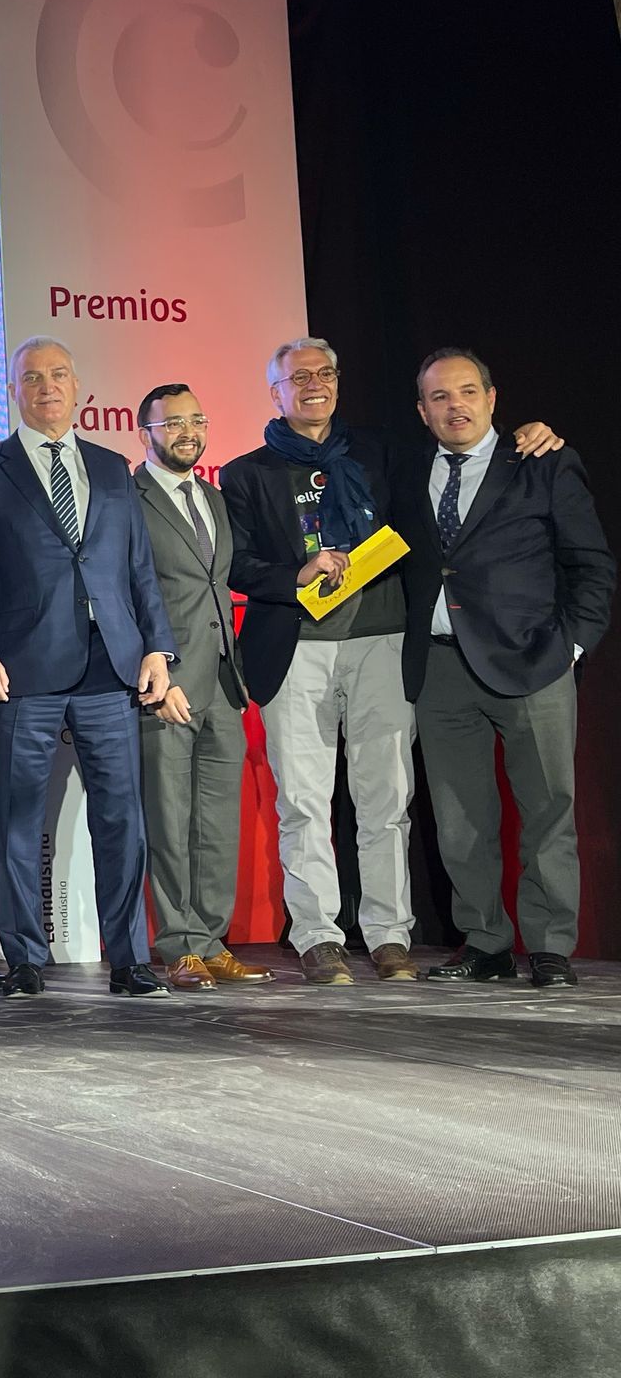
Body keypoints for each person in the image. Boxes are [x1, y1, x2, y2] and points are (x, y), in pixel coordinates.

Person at [220, 337, 559, 986]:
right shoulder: (245, 474)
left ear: (338, 381)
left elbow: (465, 449)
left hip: (383, 642)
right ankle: (318, 937)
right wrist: (296, 574)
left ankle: (388, 935)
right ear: (276, 393)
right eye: (298, 377)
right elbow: (236, 565)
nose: (314, 385)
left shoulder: (384, 452)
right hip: (296, 650)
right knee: (304, 803)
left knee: (386, 800)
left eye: (324, 373)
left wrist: (530, 432)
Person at [0, 337, 182, 1000]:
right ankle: (25, 958)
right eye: (31, 377)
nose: (46, 386)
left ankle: (130, 960)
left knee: (122, 821)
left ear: (78, 387)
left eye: (57, 375)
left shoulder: (112, 468)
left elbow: (139, 568)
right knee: (19, 821)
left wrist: (158, 649)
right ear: (12, 391)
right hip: (22, 672)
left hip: (113, 667)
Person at [394, 350, 613, 987]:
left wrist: (571, 648)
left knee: (547, 810)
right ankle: (485, 942)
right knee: (460, 818)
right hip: (440, 667)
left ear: (492, 399)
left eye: (467, 391)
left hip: (533, 663)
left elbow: (591, 564)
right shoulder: (406, 469)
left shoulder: (543, 461)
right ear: (422, 411)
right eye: (439, 396)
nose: (455, 405)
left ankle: (549, 947)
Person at [131, 383, 269, 992]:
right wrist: (154, 674)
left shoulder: (213, 496)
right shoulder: (127, 499)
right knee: (169, 823)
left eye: (196, 420)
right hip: (166, 686)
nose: (187, 432)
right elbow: (124, 593)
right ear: (145, 433)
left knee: (215, 825)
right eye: (173, 423)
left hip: (223, 682)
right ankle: (178, 944)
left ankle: (211, 942)